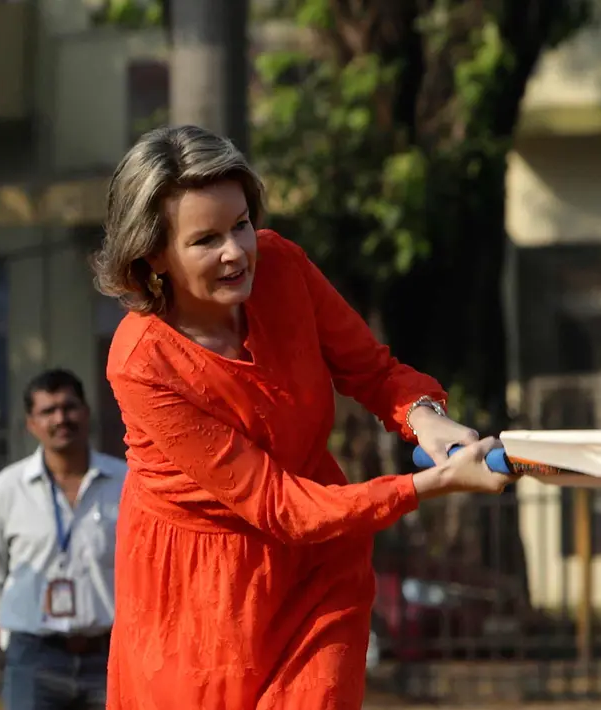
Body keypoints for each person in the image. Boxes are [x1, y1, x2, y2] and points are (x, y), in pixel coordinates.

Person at [89, 124, 514, 709]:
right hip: (202, 596)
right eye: (205, 239)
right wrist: (428, 485)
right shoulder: (142, 362)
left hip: (322, 561)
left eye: (240, 224)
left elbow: (371, 370)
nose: (236, 251)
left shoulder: (282, 265)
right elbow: (276, 506)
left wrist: (426, 419)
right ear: (153, 255)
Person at [0, 369, 127, 710]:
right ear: (31, 423)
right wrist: (16, 624)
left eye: (69, 407)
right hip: (34, 659)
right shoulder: (2, 492)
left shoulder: (127, 483)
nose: (61, 418)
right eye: (48, 411)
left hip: (110, 655)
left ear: (86, 412)